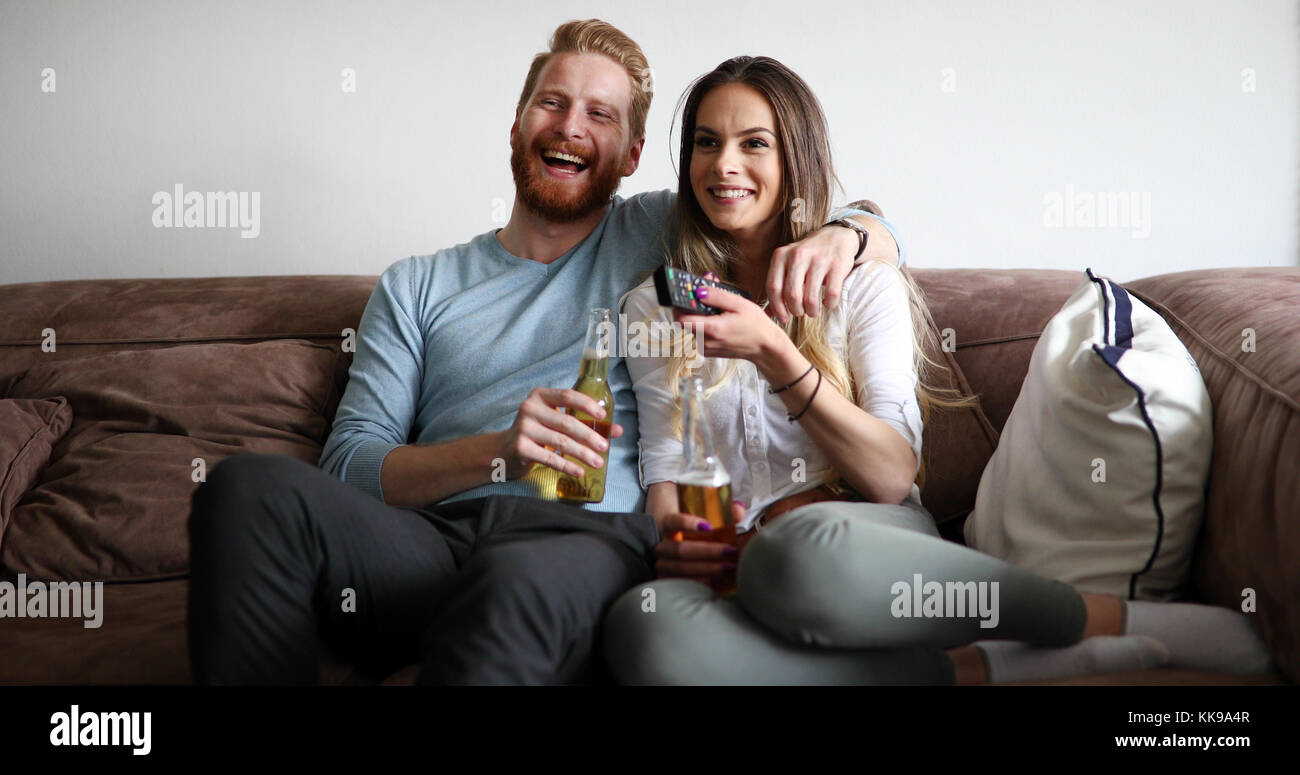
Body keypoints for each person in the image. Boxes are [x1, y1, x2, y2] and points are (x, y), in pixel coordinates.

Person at [186, 20, 897, 685]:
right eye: (551, 104)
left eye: (600, 115)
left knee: (510, 588)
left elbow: (800, 199)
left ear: (633, 156)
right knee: (247, 487)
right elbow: (348, 464)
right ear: (518, 124)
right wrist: (499, 451)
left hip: (583, 541)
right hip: (425, 541)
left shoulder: (663, 230)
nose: (569, 126)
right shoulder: (416, 285)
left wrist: (853, 231)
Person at [602, 55, 1276, 684]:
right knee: (646, 630)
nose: (725, 164)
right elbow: (669, 473)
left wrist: (778, 356)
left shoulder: (861, 281)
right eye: (706, 142)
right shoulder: (654, 306)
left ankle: (1090, 617)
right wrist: (686, 542)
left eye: (755, 143)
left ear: (795, 158)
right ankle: (981, 666)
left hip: (855, 544)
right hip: (742, 561)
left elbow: (892, 475)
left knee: (797, 557)